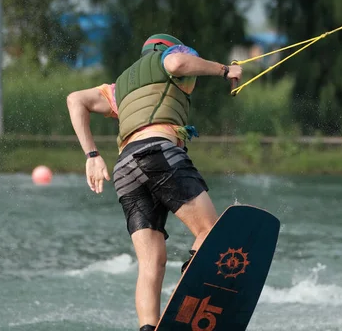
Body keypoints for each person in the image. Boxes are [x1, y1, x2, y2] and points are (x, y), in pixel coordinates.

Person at [66, 34, 242, 331]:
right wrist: (225, 70)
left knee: (151, 263)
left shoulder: (118, 87)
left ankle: (150, 328)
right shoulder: (167, 58)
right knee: (210, 232)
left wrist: (92, 155)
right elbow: (176, 62)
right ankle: (184, 306)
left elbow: (75, 100)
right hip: (158, 153)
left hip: (125, 169)